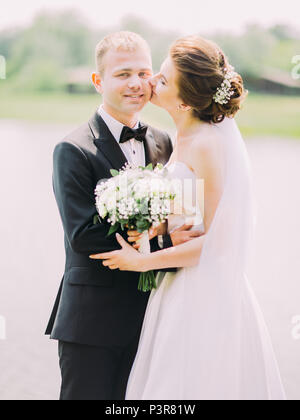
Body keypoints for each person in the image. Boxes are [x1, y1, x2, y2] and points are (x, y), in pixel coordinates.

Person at [90, 35, 287, 400]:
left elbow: (214, 243)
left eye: (161, 80)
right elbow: (187, 220)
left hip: (204, 292)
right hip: (176, 286)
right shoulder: (183, 136)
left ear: (183, 100)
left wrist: (141, 262)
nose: (150, 83)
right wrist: (154, 226)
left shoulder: (209, 144)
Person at [45, 31, 201, 400]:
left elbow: (186, 217)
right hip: (92, 323)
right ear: (98, 81)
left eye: (144, 72)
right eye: (122, 74)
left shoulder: (165, 141)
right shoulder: (72, 148)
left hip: (154, 319)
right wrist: (163, 241)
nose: (136, 83)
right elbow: (83, 234)